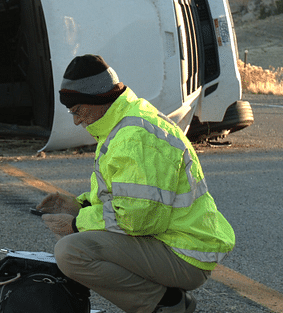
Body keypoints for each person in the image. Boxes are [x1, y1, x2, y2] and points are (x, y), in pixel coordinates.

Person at [36, 54, 235, 313]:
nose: (76, 120)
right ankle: (164, 299)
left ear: (98, 99)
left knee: (71, 253)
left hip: (185, 254)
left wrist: (77, 223)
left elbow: (136, 220)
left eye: (78, 110)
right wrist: (78, 205)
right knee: (77, 244)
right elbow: (124, 198)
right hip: (176, 243)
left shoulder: (134, 137)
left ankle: (165, 304)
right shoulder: (125, 121)